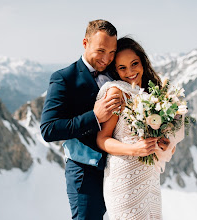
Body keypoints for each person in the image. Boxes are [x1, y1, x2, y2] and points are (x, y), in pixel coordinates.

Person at [40, 20, 120, 219]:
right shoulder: (63, 78)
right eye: (101, 51)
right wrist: (94, 117)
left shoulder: (116, 72)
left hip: (117, 169)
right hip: (84, 173)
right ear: (85, 43)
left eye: (112, 52)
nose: (107, 59)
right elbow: (48, 129)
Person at [96, 37, 180, 219]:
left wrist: (162, 142)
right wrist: (133, 149)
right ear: (115, 70)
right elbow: (102, 139)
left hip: (149, 178)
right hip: (124, 178)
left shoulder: (153, 93)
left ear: (143, 62)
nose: (130, 72)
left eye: (134, 63)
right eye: (122, 68)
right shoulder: (117, 92)